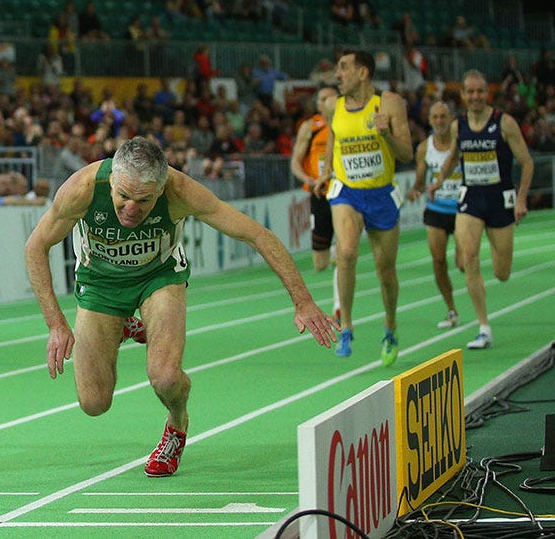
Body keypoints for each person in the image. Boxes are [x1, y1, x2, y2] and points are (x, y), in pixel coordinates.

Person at [24, 137, 339, 478]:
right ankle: (123, 323)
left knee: (165, 376)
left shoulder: (181, 191)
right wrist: (56, 324)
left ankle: (177, 424)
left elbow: (257, 235)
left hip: (159, 278)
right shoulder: (82, 188)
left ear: (160, 189)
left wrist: (303, 301)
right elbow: (35, 247)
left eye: (143, 200)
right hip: (101, 285)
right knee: (94, 403)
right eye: (123, 197)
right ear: (113, 180)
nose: (131, 209)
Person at [313, 49, 413, 366]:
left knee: (386, 272)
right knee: (345, 252)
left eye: (344, 68)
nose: (337, 74)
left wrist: (385, 134)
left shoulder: (389, 103)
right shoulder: (333, 106)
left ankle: (391, 327)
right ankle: (347, 327)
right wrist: (327, 171)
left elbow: (407, 153)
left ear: (363, 72)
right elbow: (334, 139)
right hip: (348, 192)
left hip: (381, 194)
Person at [428, 70, 534, 350]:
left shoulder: (505, 123)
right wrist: (438, 181)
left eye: (479, 91)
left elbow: (527, 163)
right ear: (462, 95)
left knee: (502, 273)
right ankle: (483, 327)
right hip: (471, 199)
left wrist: (521, 200)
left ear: (487, 93)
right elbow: (453, 159)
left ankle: (495, 272)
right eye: (469, 92)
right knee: (470, 256)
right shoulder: (457, 125)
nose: (474, 96)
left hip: (500, 200)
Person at [407, 101, 463, 329]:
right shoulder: (424, 148)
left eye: (443, 116)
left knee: (463, 263)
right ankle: (451, 310)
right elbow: (421, 181)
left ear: (450, 118)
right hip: (437, 210)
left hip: (462, 209)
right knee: (439, 261)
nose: (440, 121)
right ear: (430, 121)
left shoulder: (461, 144)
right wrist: (415, 190)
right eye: (435, 117)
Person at [290, 85, 341, 320]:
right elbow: (295, 163)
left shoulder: (345, 124)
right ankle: (332, 249)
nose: (324, 103)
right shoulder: (310, 127)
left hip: (342, 194)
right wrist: (308, 180)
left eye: (328, 98)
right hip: (319, 194)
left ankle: (340, 306)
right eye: (320, 99)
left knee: (344, 251)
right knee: (320, 263)